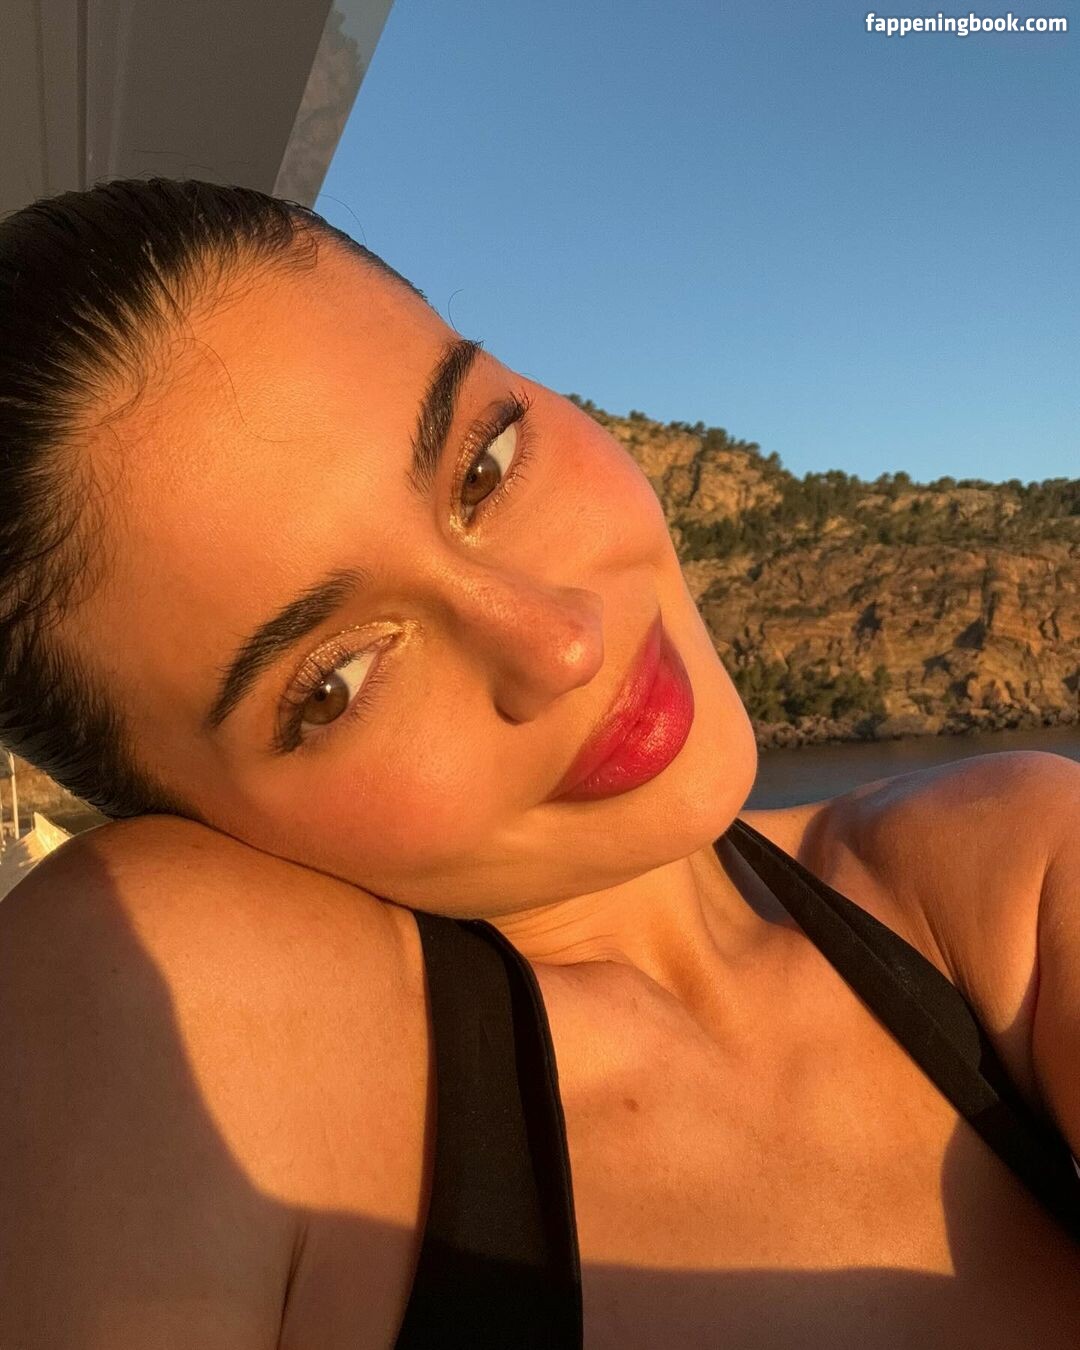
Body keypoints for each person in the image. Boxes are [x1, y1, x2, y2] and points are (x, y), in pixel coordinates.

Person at [0, 178, 1077, 1349]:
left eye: (484, 465)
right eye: (335, 683)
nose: (561, 645)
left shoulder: (1000, 874)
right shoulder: (171, 1015)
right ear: (178, 824)